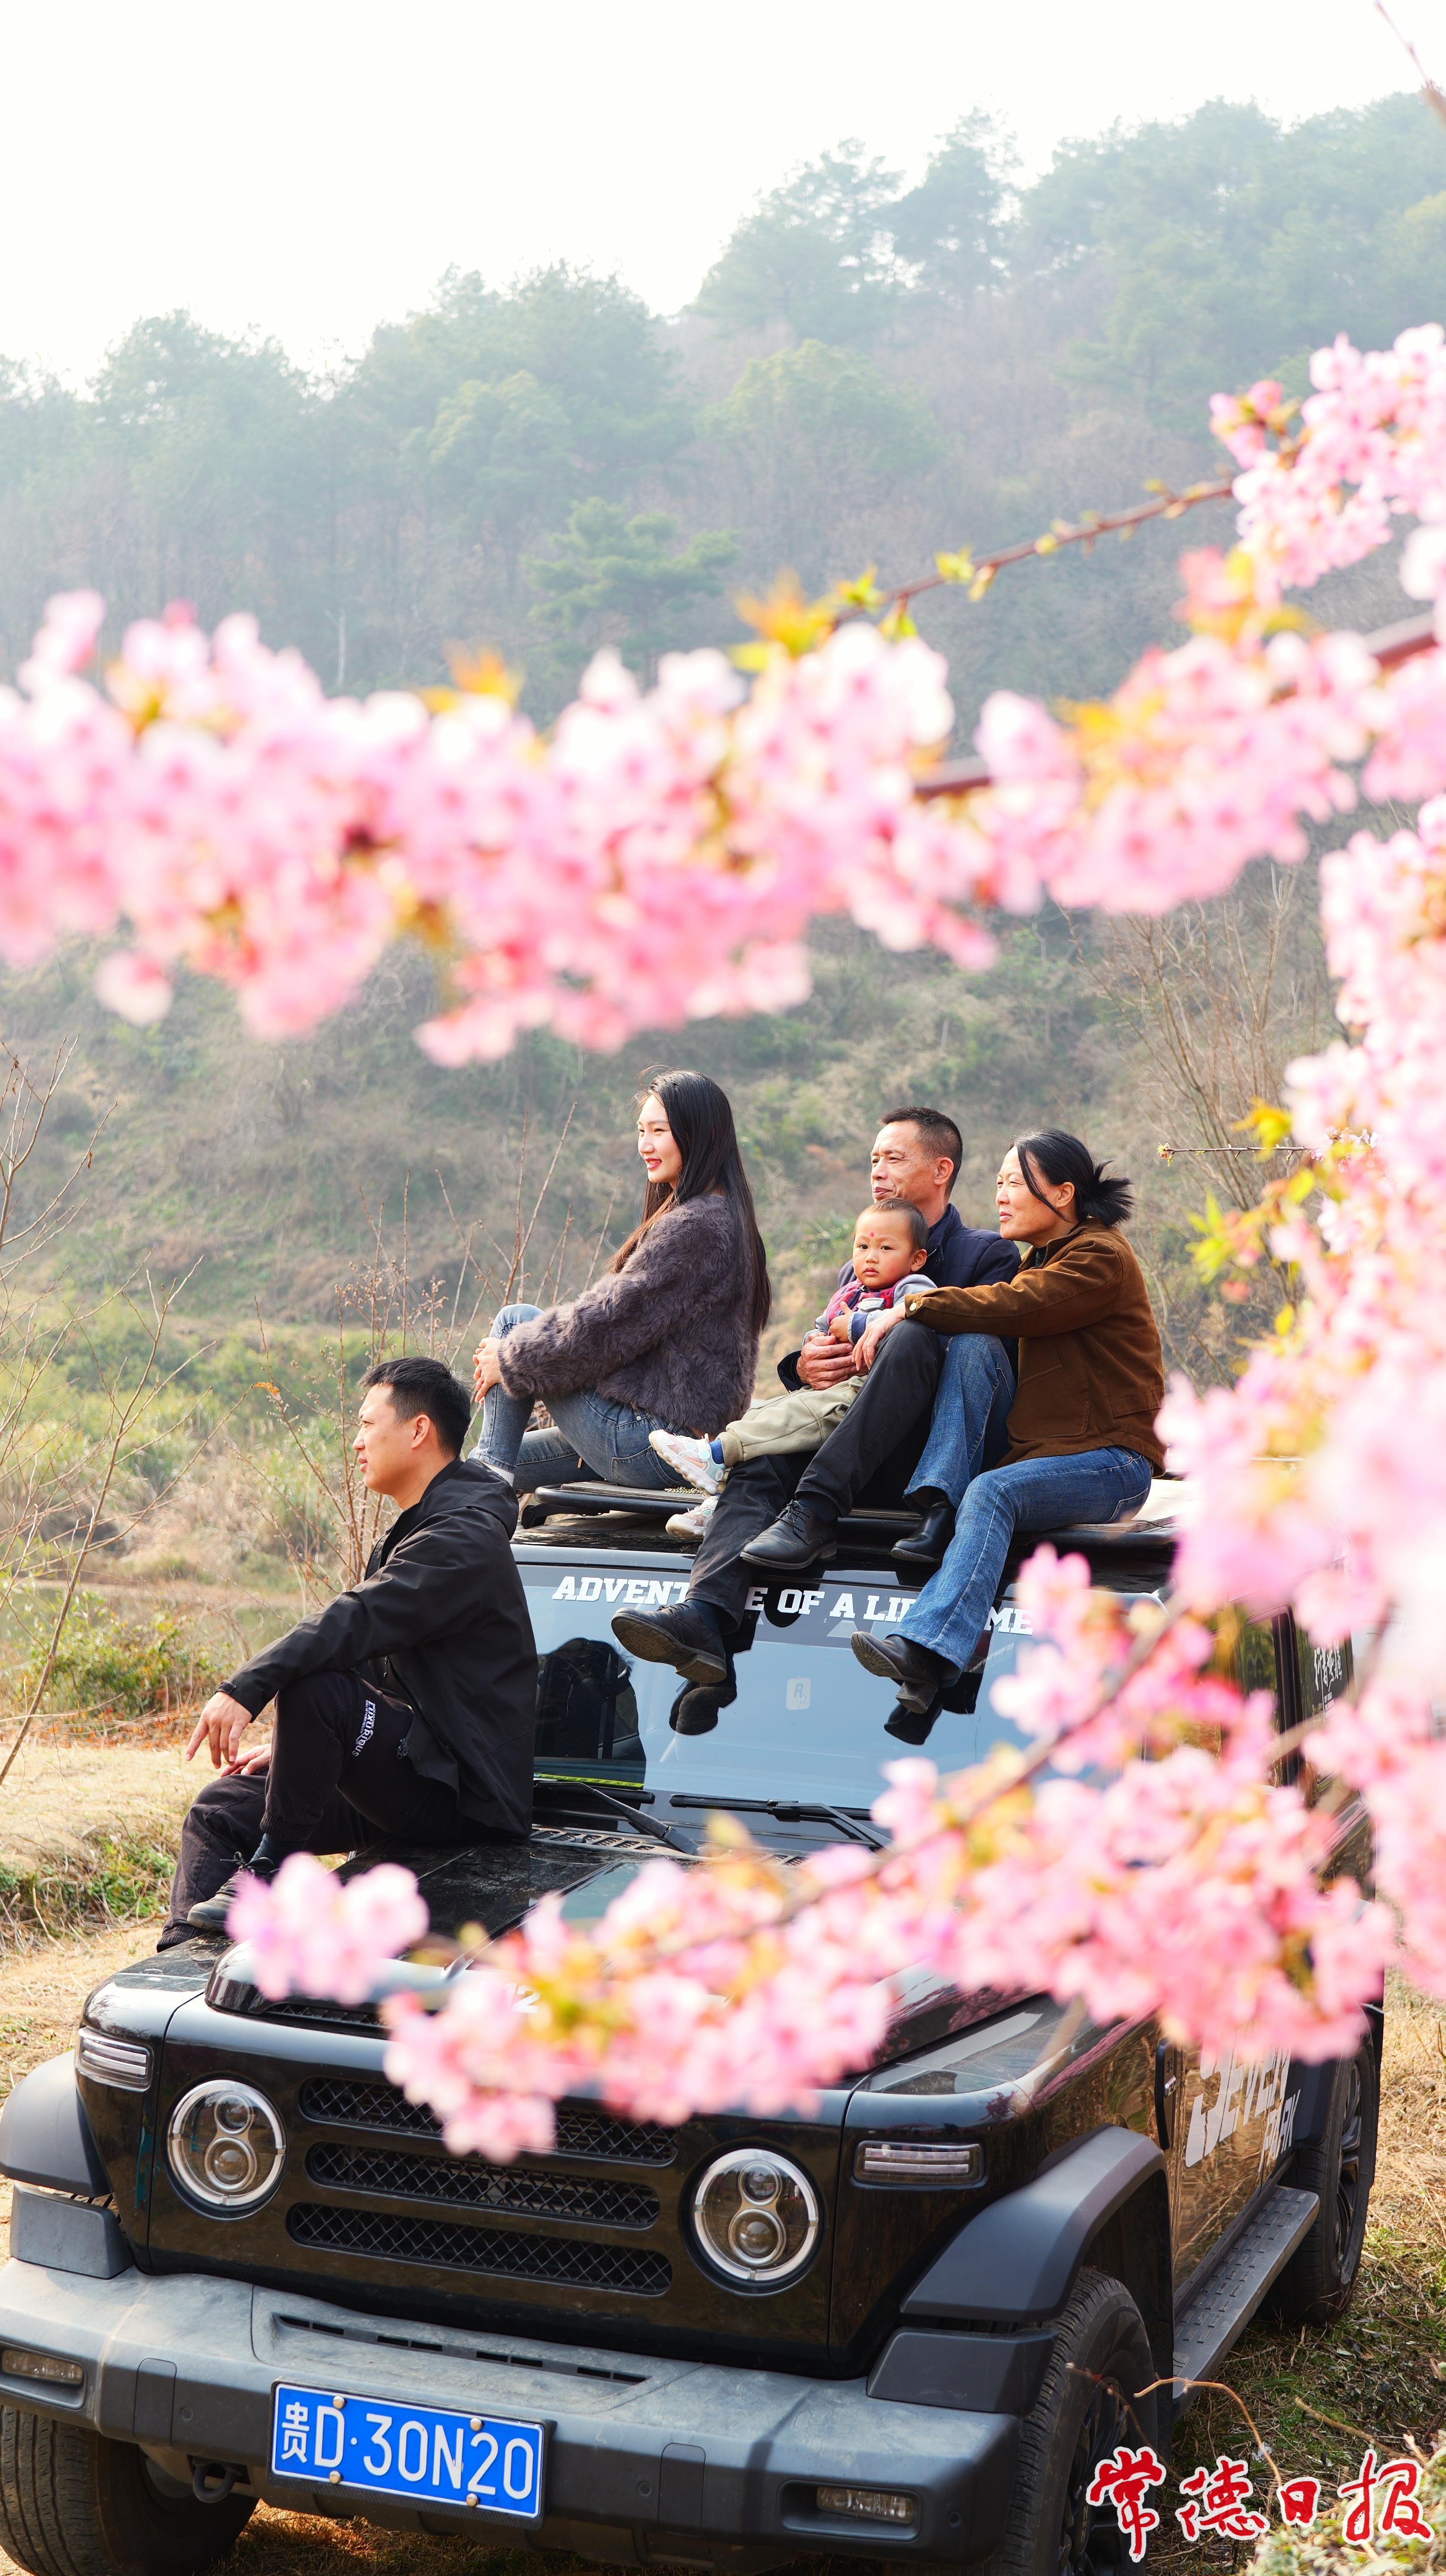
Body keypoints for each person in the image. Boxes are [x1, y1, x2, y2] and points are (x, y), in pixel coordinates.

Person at [610, 1106, 1018, 1686]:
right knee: (765, 1456)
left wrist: (894, 1326)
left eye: (894, 1158)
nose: (878, 1171)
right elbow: (825, 1364)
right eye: (873, 1159)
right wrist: (805, 1364)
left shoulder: (987, 1255)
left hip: (924, 1459)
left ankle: (813, 1512)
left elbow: (984, 1370)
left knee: (912, 1334)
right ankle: (703, 1615)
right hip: (850, 1448)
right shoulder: (857, 1266)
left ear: (940, 1170)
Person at [165, 1356, 537, 1942]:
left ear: (418, 1430)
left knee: (315, 1684)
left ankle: (268, 1871)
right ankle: (182, 1968)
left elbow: (356, 1621)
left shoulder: (463, 1538)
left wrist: (247, 1687)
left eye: (367, 1425)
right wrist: (300, 1747)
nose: (357, 1442)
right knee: (221, 1810)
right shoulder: (425, 1523)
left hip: (465, 1797)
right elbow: (371, 1667)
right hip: (417, 1772)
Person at [852, 1130, 1165, 1710]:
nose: (999, 1195)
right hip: (1044, 1452)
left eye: (1014, 1182)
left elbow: (1017, 1305)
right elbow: (995, 1317)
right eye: (998, 1182)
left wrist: (910, 1305)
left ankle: (926, 1649)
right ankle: (941, 1508)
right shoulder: (1040, 1259)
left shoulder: (1099, 1256)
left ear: (1063, 1194)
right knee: (973, 1343)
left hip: (1111, 1462)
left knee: (993, 1492)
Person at [470, 1070, 769, 1496]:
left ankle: (483, 1493)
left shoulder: (697, 1226)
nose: (644, 1145)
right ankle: (486, 1477)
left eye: (659, 1132)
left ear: (703, 1134)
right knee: (484, 1465)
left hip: (654, 1441)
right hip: (683, 1441)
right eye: (641, 1131)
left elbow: (607, 1324)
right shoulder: (728, 1217)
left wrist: (509, 1360)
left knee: (514, 1322)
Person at [650, 1199, 934, 1506]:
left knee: (792, 1418)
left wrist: (855, 1325)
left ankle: (718, 1454)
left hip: (863, 1391)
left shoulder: (912, 1287)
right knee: (764, 1412)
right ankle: (719, 1497)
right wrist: (816, 1342)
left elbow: (914, 1322)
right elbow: (821, 1327)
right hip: (827, 1386)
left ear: (917, 1259)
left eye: (886, 1248)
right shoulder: (851, 1290)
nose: (871, 1257)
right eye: (863, 1247)